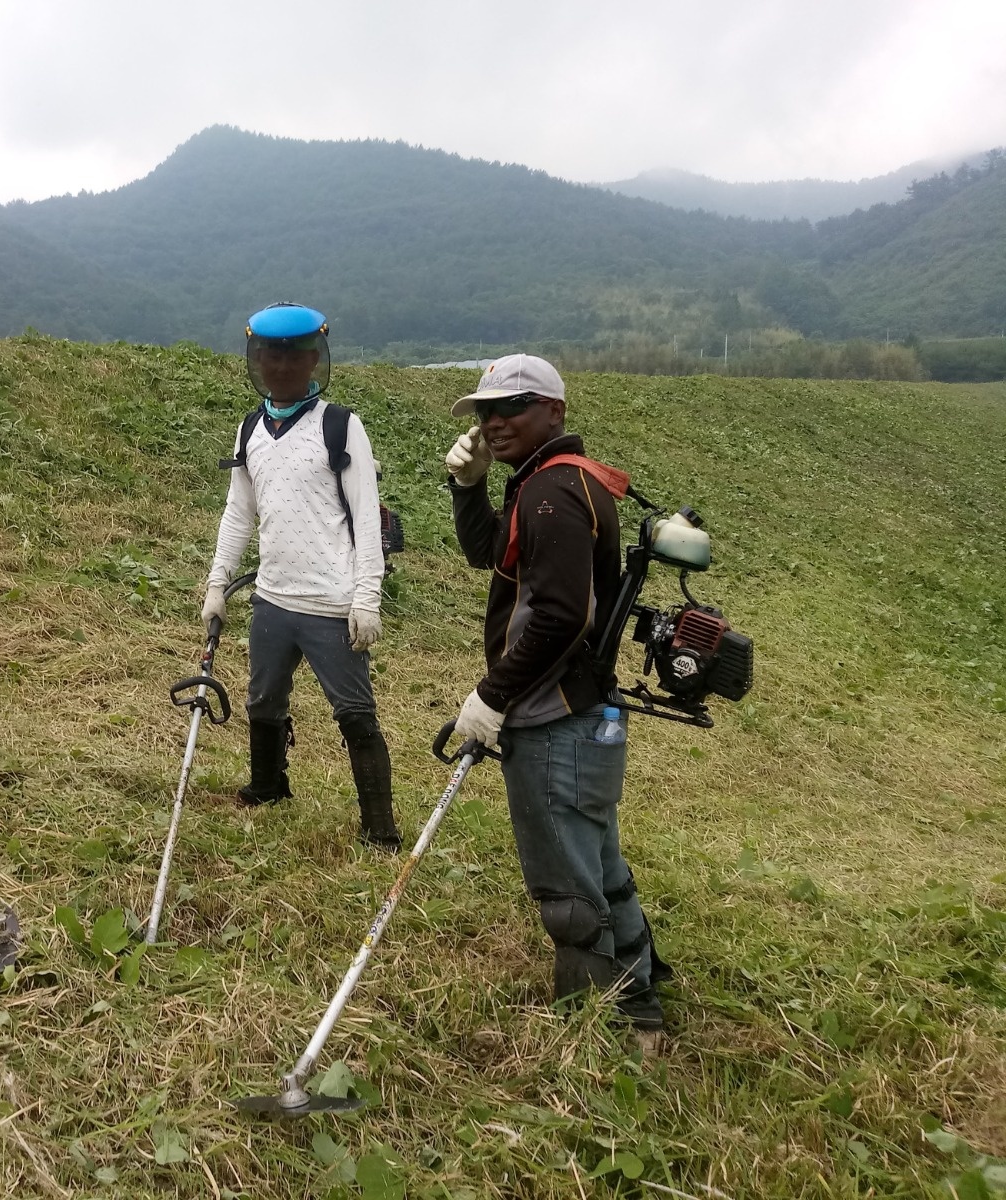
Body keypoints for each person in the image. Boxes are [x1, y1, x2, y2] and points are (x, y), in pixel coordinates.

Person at [445, 353, 669, 1030]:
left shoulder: (552, 492)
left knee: (568, 890)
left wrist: (493, 694)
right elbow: (492, 554)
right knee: (599, 863)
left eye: (512, 406)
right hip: (581, 715)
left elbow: (562, 616)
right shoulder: (548, 482)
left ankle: (614, 1024)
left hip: (554, 718)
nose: (494, 422)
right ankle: (641, 983)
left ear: (554, 411)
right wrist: (468, 488)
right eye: (485, 411)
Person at [202, 302, 399, 849]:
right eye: (270, 356)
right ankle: (267, 788)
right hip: (271, 598)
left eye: (293, 357)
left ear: (314, 359)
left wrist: (367, 598)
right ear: (257, 360)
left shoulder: (340, 426)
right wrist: (218, 583)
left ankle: (379, 828)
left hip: (332, 604)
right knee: (263, 700)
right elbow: (239, 512)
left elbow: (365, 514)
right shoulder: (250, 430)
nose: (281, 367)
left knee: (355, 713)